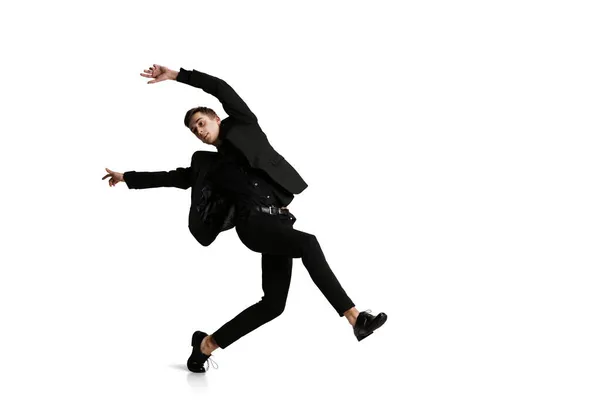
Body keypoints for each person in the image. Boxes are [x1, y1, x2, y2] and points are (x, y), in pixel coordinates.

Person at [102, 64, 387, 373]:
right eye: (194, 130)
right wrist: (127, 177)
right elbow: (174, 177)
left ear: (216, 118)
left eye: (201, 123)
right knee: (308, 243)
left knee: (273, 305)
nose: (199, 131)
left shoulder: (245, 125)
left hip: (279, 221)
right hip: (252, 224)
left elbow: (221, 87)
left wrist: (177, 76)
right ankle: (355, 318)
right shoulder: (206, 164)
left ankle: (206, 345)